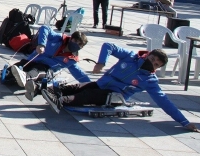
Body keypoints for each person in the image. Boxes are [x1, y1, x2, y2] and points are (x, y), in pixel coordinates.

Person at [41, 43, 198, 132]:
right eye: (152, 59)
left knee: (88, 96)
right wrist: (101, 62)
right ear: (148, 54)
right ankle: (42, 89)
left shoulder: (150, 80)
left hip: (114, 95)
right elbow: (108, 45)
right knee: (77, 87)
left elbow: (164, 101)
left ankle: (60, 100)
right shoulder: (130, 57)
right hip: (102, 83)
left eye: (156, 65)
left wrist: (183, 121)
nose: (152, 64)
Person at [0, 26, 89, 93]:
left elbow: (79, 74)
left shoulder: (71, 60)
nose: (77, 44)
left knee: (38, 70)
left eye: (80, 44)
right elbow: (45, 28)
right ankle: (3, 73)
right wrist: (41, 44)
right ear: (71, 39)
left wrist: (91, 86)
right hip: (34, 59)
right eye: (75, 41)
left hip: (46, 69)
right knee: (22, 64)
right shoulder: (58, 39)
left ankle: (25, 76)